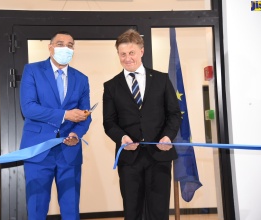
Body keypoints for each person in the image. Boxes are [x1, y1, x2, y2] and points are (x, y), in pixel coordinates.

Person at [103, 29, 181, 220]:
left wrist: (167, 136)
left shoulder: (161, 79)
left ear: (141, 52)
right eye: (123, 54)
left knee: (159, 211)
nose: (127, 58)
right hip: (129, 160)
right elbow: (109, 122)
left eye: (131, 53)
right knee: (132, 211)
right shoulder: (111, 86)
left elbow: (174, 114)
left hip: (160, 156)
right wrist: (122, 137)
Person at [19, 31, 92, 220]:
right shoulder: (32, 70)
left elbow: (86, 115)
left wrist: (76, 134)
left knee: (71, 210)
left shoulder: (81, 79)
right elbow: (28, 108)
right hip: (38, 150)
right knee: (36, 209)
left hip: (70, 152)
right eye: (60, 44)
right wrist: (65, 115)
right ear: (50, 47)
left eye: (70, 45)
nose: (65, 48)